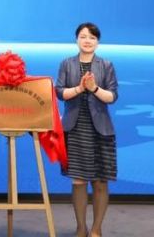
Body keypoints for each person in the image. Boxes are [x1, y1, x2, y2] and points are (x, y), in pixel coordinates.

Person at [55, 22, 118, 237]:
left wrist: (94, 88)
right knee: (79, 180)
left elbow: (112, 96)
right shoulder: (67, 64)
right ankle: (81, 228)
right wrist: (80, 88)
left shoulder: (106, 65)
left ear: (97, 42)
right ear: (76, 40)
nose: (87, 41)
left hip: (101, 130)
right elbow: (60, 93)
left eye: (92, 37)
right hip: (75, 129)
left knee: (100, 181)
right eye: (83, 36)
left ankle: (96, 229)